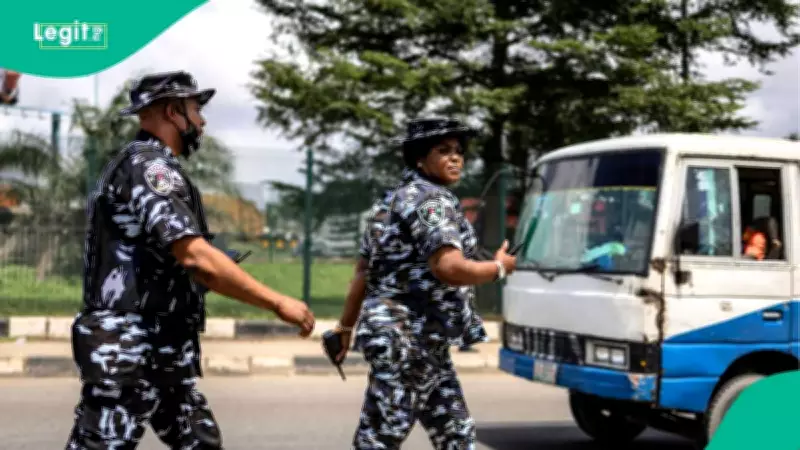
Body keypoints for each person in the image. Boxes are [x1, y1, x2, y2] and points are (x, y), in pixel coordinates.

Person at [65, 70, 315, 450]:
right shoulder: (149, 168)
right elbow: (196, 257)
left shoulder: (146, 164)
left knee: (201, 444)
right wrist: (277, 302)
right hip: (130, 347)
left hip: (159, 346)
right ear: (172, 112)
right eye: (196, 110)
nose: (202, 121)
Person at [332, 117, 518, 450]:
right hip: (409, 339)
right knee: (380, 439)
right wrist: (498, 268)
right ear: (420, 158)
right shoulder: (432, 201)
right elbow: (448, 267)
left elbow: (363, 271)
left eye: (459, 151)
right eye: (443, 150)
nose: (456, 157)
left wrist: (345, 328)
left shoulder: (390, 202)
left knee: (456, 434)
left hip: (421, 340)